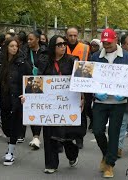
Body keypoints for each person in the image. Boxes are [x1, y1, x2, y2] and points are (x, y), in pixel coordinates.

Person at [35, 35, 82, 174]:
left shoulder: (73, 61)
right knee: (49, 133)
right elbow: (37, 82)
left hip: (68, 104)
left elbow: (82, 82)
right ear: (52, 47)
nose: (63, 46)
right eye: (59, 44)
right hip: (50, 104)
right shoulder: (45, 62)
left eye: (64, 44)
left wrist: (82, 97)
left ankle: (72, 153)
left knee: (65, 135)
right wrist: (29, 98)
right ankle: (51, 164)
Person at [91, 28, 128, 178]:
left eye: (109, 42)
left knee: (114, 133)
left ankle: (109, 164)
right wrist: (95, 93)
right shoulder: (95, 56)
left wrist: (124, 93)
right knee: (97, 130)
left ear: (116, 40)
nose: (106, 45)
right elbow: (90, 78)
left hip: (118, 102)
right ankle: (106, 155)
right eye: (104, 43)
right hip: (100, 101)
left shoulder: (127, 56)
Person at [0, 37, 32, 166]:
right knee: (6, 127)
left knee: (15, 126)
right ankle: (10, 146)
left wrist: (27, 95)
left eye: (16, 46)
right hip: (3, 98)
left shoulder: (22, 63)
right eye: (11, 46)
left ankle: (10, 151)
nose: (14, 48)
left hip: (17, 99)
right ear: (6, 47)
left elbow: (30, 81)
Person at [18, 31, 47, 148]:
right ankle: (22, 133)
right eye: (28, 40)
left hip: (42, 83)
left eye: (31, 39)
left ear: (38, 39)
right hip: (28, 82)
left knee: (38, 109)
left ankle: (36, 137)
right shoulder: (23, 52)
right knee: (28, 108)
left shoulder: (45, 51)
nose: (28, 41)